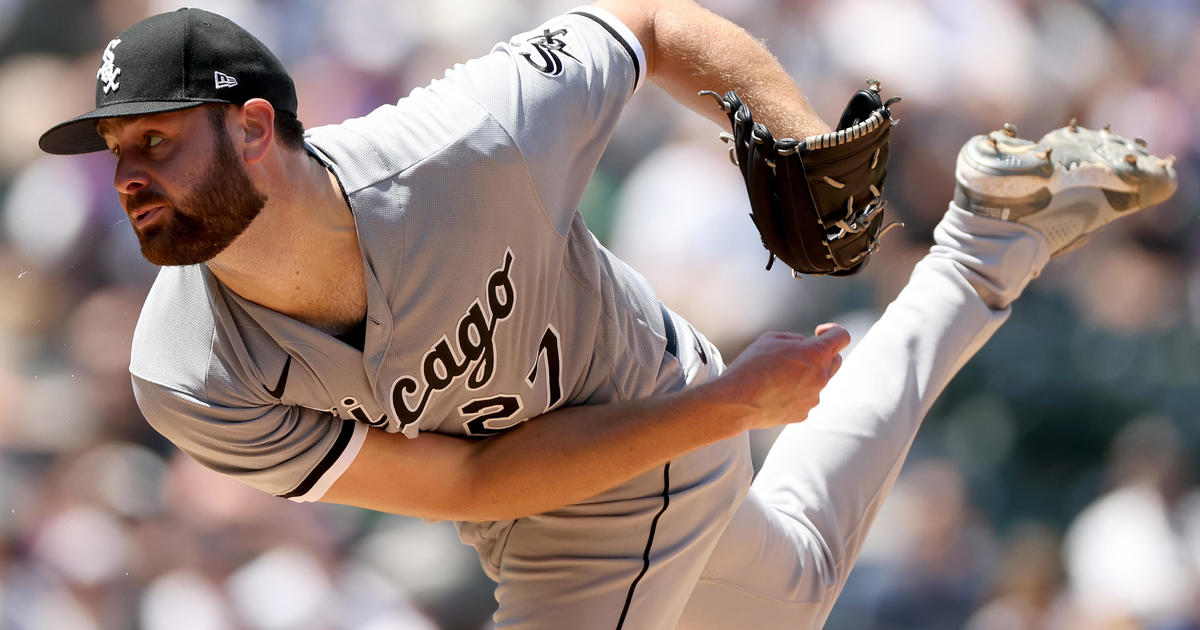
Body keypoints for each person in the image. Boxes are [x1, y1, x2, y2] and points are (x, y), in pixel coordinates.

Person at [38, 2, 1176, 628]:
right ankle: (987, 241)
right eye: (116, 154)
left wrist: (785, 125)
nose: (127, 175)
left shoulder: (465, 141)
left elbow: (650, 28)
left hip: (636, 430)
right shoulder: (185, 372)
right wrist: (736, 405)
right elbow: (468, 486)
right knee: (798, 578)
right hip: (539, 495)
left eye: (155, 142)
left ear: (250, 130)